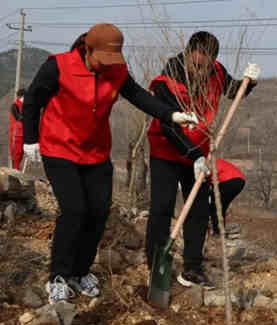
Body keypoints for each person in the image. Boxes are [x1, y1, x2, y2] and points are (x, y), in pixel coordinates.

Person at [22, 23, 198, 304]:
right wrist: (30, 139)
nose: (107, 65)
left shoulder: (116, 70)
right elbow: (33, 99)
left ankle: (80, 272)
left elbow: (139, 96)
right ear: (87, 49)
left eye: (111, 60)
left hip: (96, 152)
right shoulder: (58, 66)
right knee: (74, 210)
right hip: (59, 148)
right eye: (102, 59)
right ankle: (58, 277)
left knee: (98, 212)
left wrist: (172, 115)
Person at [145, 31, 259, 289]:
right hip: (166, 150)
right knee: (162, 208)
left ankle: (192, 268)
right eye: (195, 65)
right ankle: (155, 265)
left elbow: (233, 90)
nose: (199, 71)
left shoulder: (216, 71)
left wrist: (248, 82)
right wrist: (194, 155)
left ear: (213, 61)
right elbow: (169, 127)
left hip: (199, 150)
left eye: (204, 67)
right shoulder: (167, 81)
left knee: (197, 209)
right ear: (188, 55)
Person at [206, 158, 246, 238]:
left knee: (215, 205)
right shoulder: (215, 161)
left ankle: (217, 232)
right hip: (240, 181)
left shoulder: (208, 163)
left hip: (230, 180)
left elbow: (208, 180)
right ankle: (220, 231)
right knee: (221, 207)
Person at [9, 87, 27, 170]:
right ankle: (15, 171)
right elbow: (19, 117)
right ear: (21, 96)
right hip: (16, 134)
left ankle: (16, 170)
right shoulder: (15, 105)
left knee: (21, 153)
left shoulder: (25, 106)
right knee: (16, 154)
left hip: (23, 133)